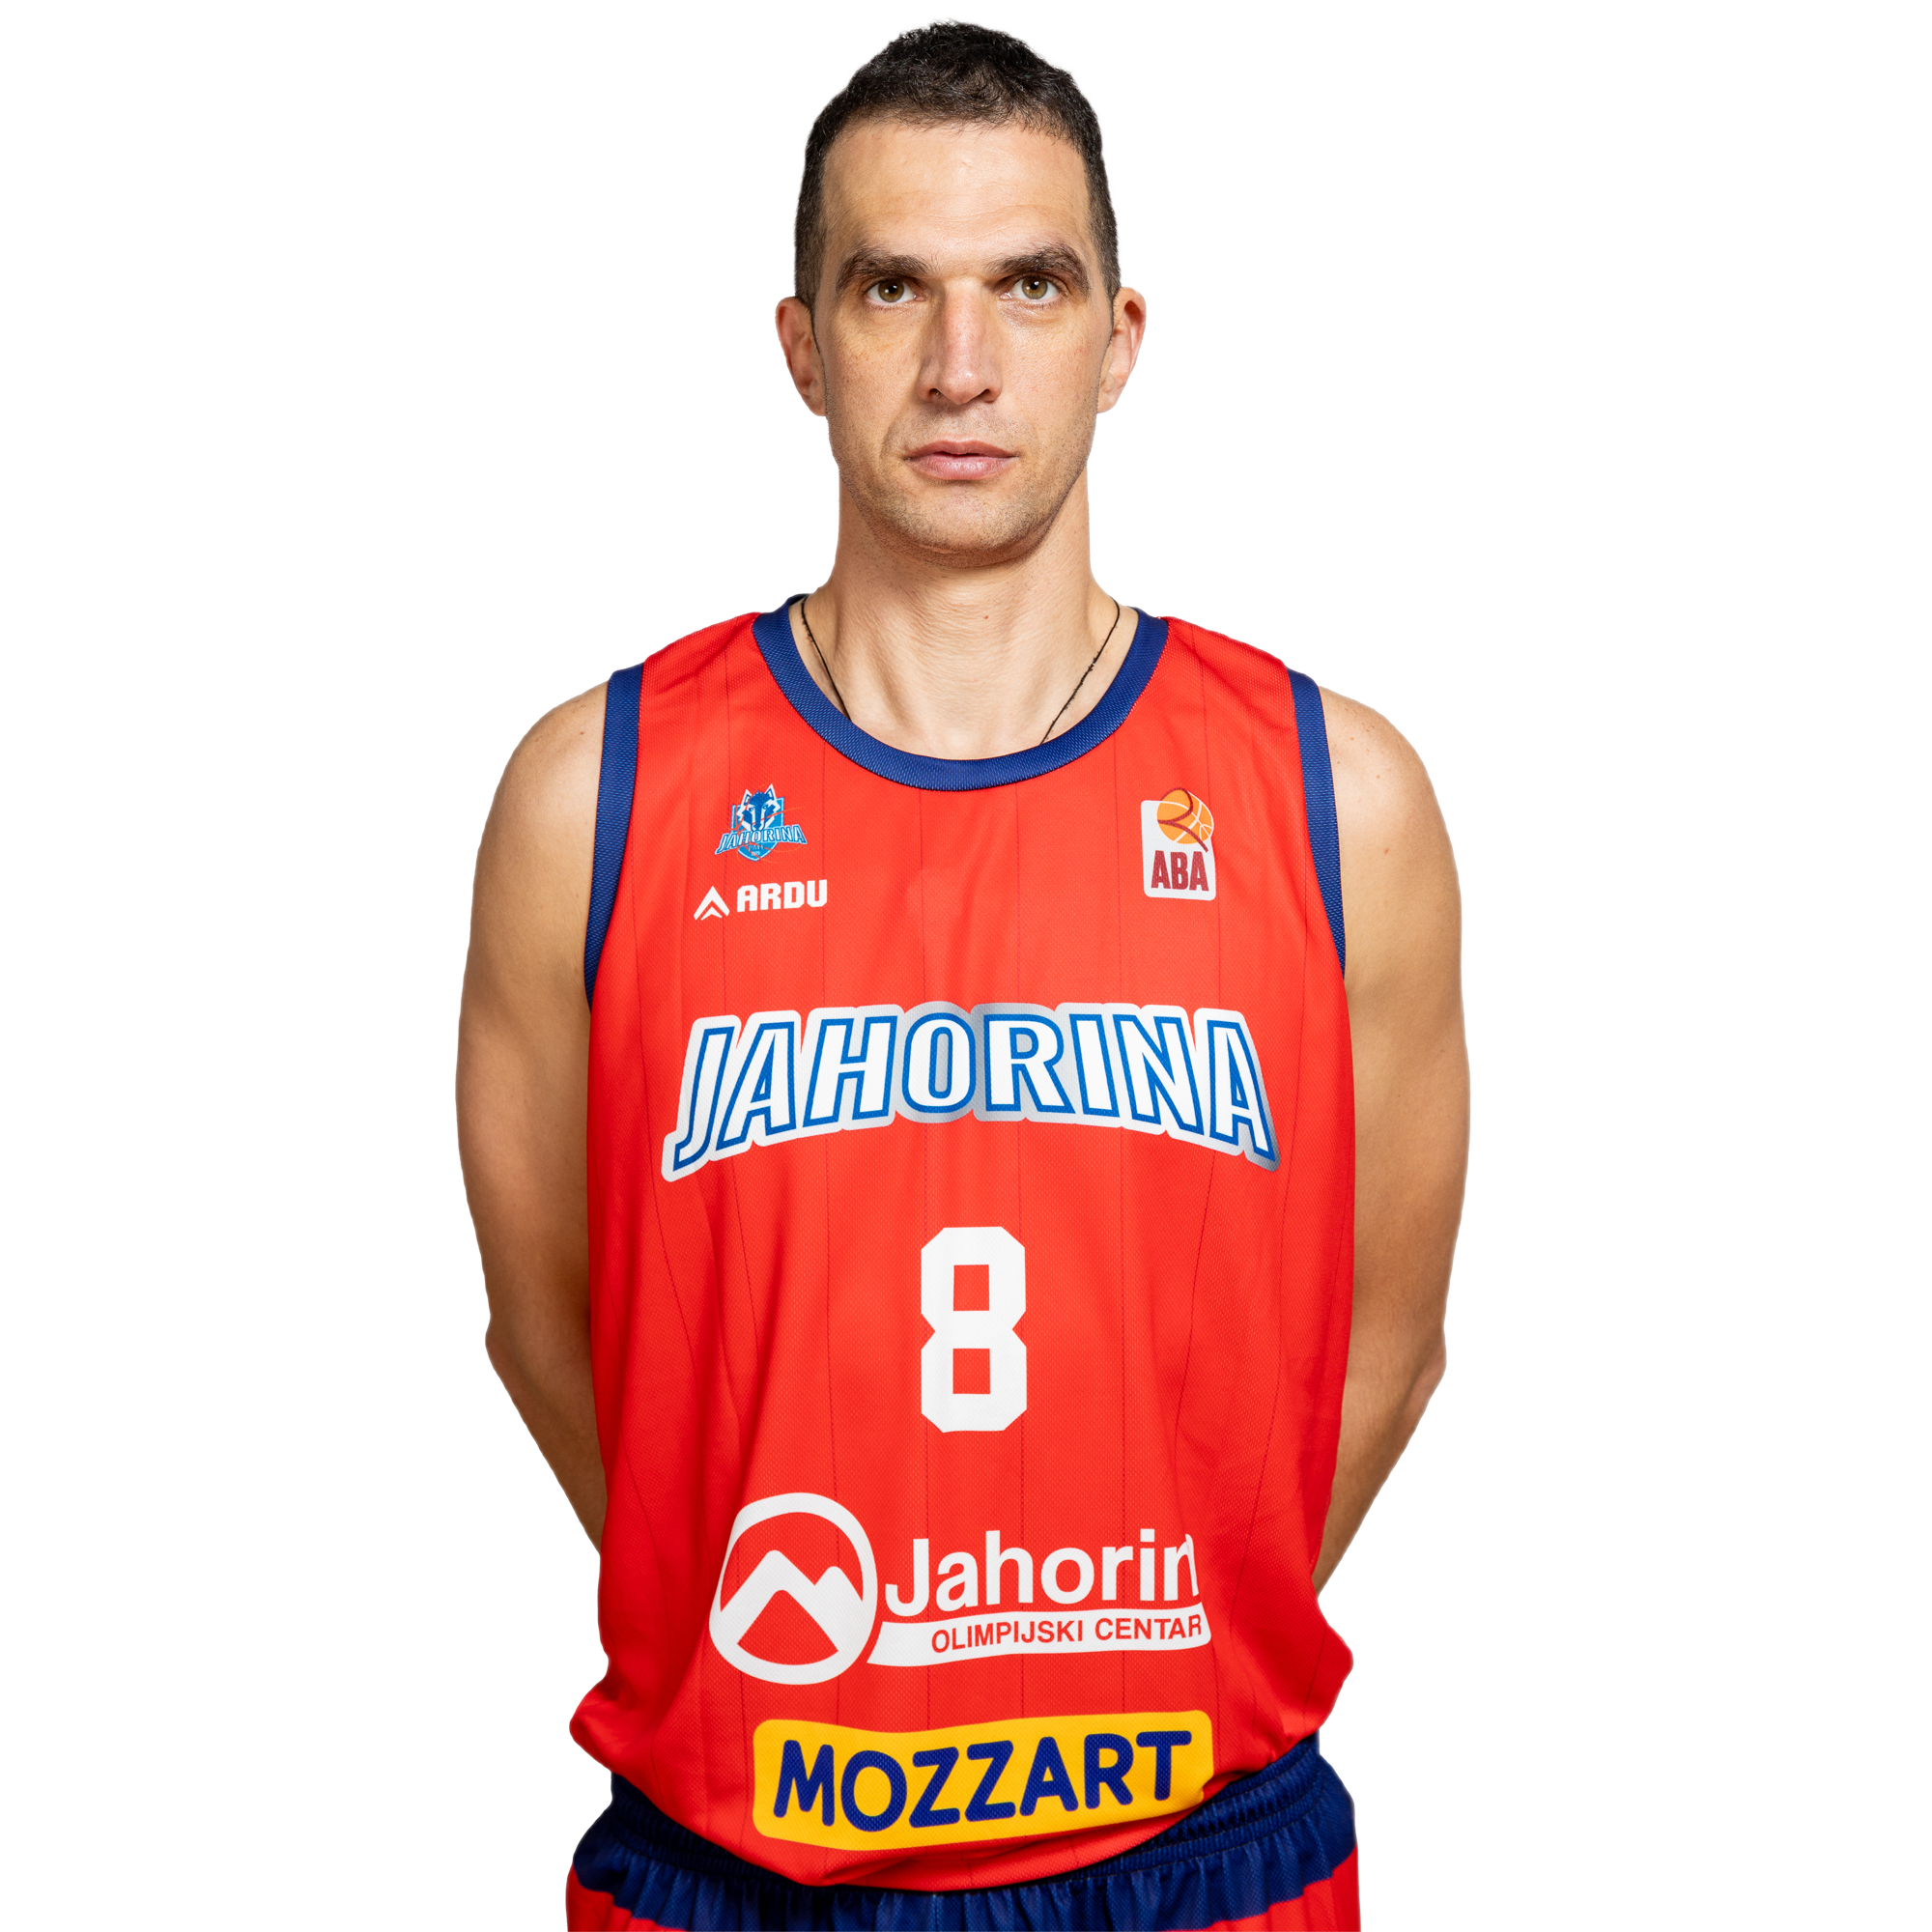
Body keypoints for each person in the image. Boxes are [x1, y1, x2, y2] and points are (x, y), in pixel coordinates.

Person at [458, 20, 1466, 1930]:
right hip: (740, 1856)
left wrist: (1151, 1631)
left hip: (1197, 1856)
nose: (960, 365)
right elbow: (555, 1337)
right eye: (890, 287)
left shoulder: (1340, 798)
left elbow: (1385, 1350)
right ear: (801, 343)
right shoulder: (593, 796)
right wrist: (763, 1621)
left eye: (1031, 284)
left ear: (1120, 336)